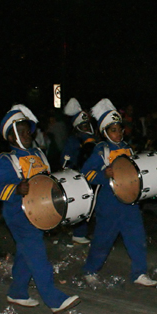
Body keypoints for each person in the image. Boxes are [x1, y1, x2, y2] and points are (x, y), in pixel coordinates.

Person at [0, 105, 79, 313]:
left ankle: (17, 292)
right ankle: (54, 299)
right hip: (17, 215)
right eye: (20, 131)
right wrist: (16, 189)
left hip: (38, 213)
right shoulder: (5, 160)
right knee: (37, 254)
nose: (26, 134)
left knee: (25, 253)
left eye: (27, 129)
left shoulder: (38, 154)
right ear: (11, 138)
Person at [79, 98, 157, 287]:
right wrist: (102, 174)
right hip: (109, 203)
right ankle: (90, 269)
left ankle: (139, 272)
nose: (118, 133)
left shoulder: (128, 149)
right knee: (103, 240)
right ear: (105, 132)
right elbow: (85, 174)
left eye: (120, 129)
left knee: (137, 238)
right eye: (113, 130)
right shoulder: (101, 150)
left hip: (129, 202)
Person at [61, 98, 98, 244]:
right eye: (83, 125)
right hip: (79, 178)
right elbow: (66, 161)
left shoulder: (92, 138)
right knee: (83, 205)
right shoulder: (73, 141)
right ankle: (78, 233)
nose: (86, 127)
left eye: (87, 124)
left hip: (92, 176)